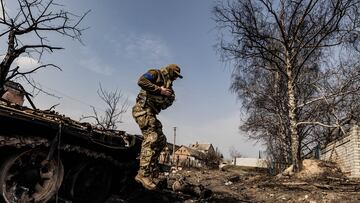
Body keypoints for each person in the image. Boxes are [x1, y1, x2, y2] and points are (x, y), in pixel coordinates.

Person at [132, 64, 183, 190]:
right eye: (175, 75)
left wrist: (168, 96)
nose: (176, 78)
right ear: (170, 71)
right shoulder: (155, 74)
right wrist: (160, 90)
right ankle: (143, 174)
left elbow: (165, 105)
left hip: (151, 113)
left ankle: (151, 168)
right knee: (152, 136)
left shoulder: (169, 87)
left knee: (161, 140)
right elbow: (141, 81)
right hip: (142, 109)